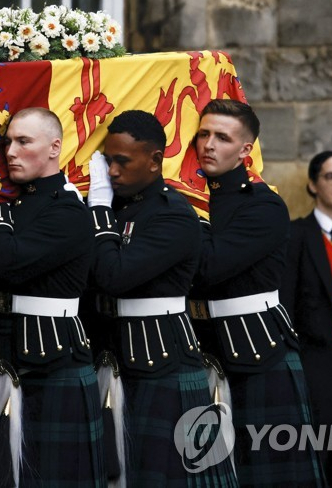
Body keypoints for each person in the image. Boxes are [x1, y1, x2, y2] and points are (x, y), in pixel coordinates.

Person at [87, 110, 238, 486]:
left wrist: (99, 209)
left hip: (161, 361)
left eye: (123, 161)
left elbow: (113, 275)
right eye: (108, 161)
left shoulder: (173, 215)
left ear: (155, 160)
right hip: (110, 355)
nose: (113, 172)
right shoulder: (120, 207)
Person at [0, 107, 104, 487]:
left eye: (24, 141)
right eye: (8, 142)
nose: (11, 152)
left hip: (52, 360)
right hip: (2, 351)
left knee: (53, 476)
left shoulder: (67, 212)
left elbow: (5, 262)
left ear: (55, 147)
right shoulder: (12, 204)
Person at [189, 98, 323, 486]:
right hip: (198, 349)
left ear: (245, 150)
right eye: (204, 134)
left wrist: (178, 215)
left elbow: (210, 266)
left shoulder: (263, 205)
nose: (209, 145)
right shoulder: (192, 197)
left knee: (267, 476)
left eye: (222, 137)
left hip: (257, 352)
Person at [282, 150, 332, 486]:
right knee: (320, 435)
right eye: (331, 176)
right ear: (313, 184)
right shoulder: (297, 235)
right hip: (316, 354)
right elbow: (287, 297)